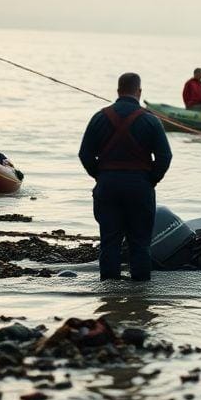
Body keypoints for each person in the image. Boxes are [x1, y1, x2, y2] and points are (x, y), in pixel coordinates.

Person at [78, 72, 173, 282]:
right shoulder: (151, 120)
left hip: (108, 186)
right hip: (140, 186)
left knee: (109, 243)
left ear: (118, 91)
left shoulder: (99, 117)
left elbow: (85, 154)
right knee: (140, 244)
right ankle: (140, 294)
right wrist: (151, 180)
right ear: (139, 91)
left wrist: (100, 176)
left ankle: (108, 293)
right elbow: (165, 157)